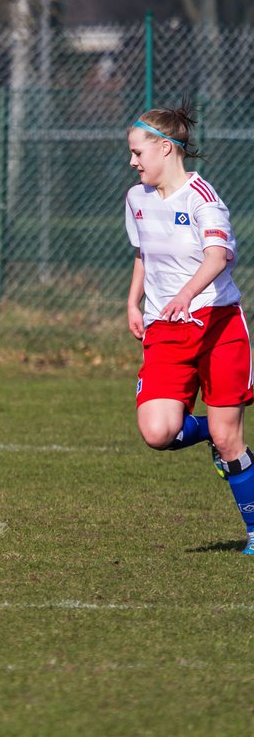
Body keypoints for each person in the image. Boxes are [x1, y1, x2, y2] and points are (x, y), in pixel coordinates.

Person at [125, 105, 254, 554]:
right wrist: (133, 301)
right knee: (158, 432)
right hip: (165, 329)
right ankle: (214, 437)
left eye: (138, 152)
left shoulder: (203, 199)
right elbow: (143, 252)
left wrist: (186, 294)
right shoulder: (136, 198)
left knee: (228, 436)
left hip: (217, 326)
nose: (133, 162)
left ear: (166, 148)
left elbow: (217, 257)